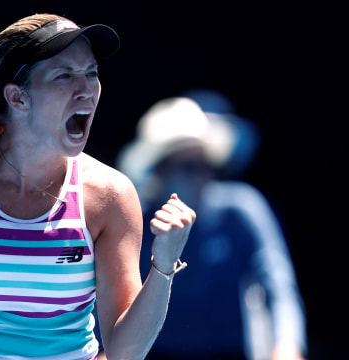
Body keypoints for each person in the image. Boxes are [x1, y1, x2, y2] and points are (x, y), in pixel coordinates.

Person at [0, 14, 196, 360]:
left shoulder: (111, 196)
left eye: (91, 73)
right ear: (18, 98)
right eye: (64, 75)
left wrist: (164, 265)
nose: (86, 89)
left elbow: (125, 352)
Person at [116, 95, 307, 360]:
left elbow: (279, 286)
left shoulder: (242, 209)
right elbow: (108, 298)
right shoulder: (133, 218)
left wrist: (287, 348)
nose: (202, 176)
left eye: (207, 165)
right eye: (189, 167)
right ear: (159, 171)